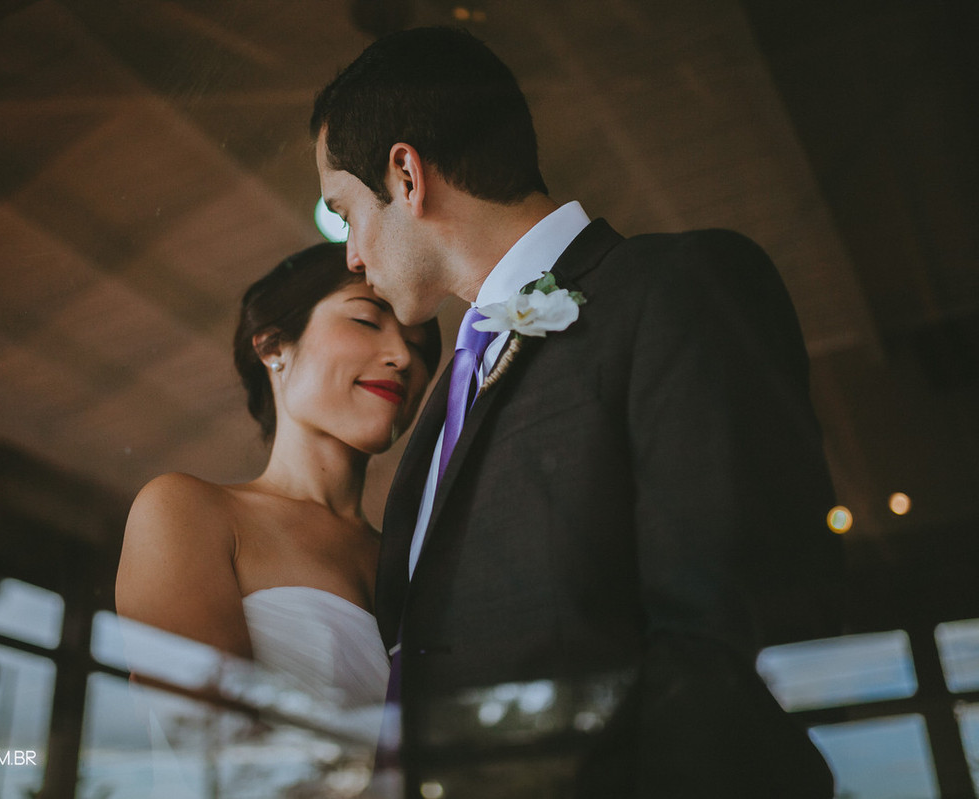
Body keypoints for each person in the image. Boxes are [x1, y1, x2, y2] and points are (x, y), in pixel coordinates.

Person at [311, 26, 844, 798]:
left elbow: (726, 625)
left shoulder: (677, 287)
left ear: (405, 175)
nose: (353, 255)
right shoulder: (444, 400)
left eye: (344, 211)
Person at [116, 243, 440, 731]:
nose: (401, 358)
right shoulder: (187, 511)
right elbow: (214, 746)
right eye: (367, 322)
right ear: (273, 346)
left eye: (420, 347)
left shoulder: (424, 560)